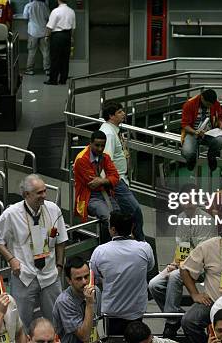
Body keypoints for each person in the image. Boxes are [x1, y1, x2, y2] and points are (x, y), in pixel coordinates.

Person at [0, 174, 68, 330]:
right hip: (24, 275)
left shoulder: (53, 210)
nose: (44, 196)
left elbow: (61, 240)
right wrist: (11, 259)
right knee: (19, 321)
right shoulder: (11, 213)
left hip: (50, 274)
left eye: (45, 191)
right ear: (26, 194)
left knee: (56, 319)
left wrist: (59, 266)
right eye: (39, 193)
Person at [149, 182, 217, 338]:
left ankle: (171, 324)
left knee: (174, 276)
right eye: (185, 198)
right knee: (154, 285)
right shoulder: (181, 218)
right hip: (185, 263)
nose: (188, 201)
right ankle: (175, 314)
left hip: (203, 266)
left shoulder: (206, 220)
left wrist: (181, 265)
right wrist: (175, 262)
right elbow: (183, 246)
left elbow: (202, 254)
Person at [90, 211, 155, 336]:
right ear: (132, 227)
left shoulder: (100, 252)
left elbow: (95, 278)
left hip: (112, 312)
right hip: (137, 310)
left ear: (113, 229)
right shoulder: (145, 248)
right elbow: (149, 267)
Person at [99, 101, 145, 240]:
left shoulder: (113, 131)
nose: (123, 114)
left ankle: (128, 241)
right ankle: (140, 241)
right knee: (135, 211)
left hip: (119, 180)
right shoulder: (109, 134)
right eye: (119, 112)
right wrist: (108, 184)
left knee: (123, 215)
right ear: (111, 116)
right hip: (116, 181)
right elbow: (106, 160)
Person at [73, 130, 120, 243]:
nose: (100, 148)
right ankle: (106, 246)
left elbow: (116, 177)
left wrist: (102, 181)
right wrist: (107, 181)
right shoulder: (81, 159)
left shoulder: (105, 157)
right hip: (89, 197)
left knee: (118, 215)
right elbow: (93, 185)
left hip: (105, 193)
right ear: (90, 143)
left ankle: (116, 243)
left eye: (102, 146)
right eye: (97, 145)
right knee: (108, 217)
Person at [52, 256, 102, 343]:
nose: (84, 282)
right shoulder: (64, 301)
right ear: (69, 280)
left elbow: (98, 321)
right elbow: (84, 337)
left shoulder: (96, 290)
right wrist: (89, 304)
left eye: (86, 276)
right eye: (79, 279)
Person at [180, 88, 222, 172]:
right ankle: (191, 159)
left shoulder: (214, 103)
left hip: (209, 133)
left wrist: (220, 124)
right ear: (202, 98)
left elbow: (219, 116)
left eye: (211, 105)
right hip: (192, 132)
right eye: (208, 104)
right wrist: (195, 132)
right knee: (187, 152)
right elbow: (185, 125)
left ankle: (211, 156)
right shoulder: (189, 104)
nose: (210, 106)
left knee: (220, 141)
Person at [45, 0, 76, 85]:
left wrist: (47, 36)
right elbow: (73, 27)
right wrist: (71, 37)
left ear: (58, 0)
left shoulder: (55, 11)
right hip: (67, 36)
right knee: (65, 59)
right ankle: (63, 80)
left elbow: (50, 26)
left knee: (55, 58)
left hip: (57, 36)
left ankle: (53, 80)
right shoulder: (71, 11)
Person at [23, 0, 50, 76]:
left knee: (31, 51)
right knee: (45, 51)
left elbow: (25, 18)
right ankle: (47, 69)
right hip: (43, 31)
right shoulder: (45, 6)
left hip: (32, 32)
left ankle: (29, 69)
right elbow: (48, 18)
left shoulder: (28, 5)